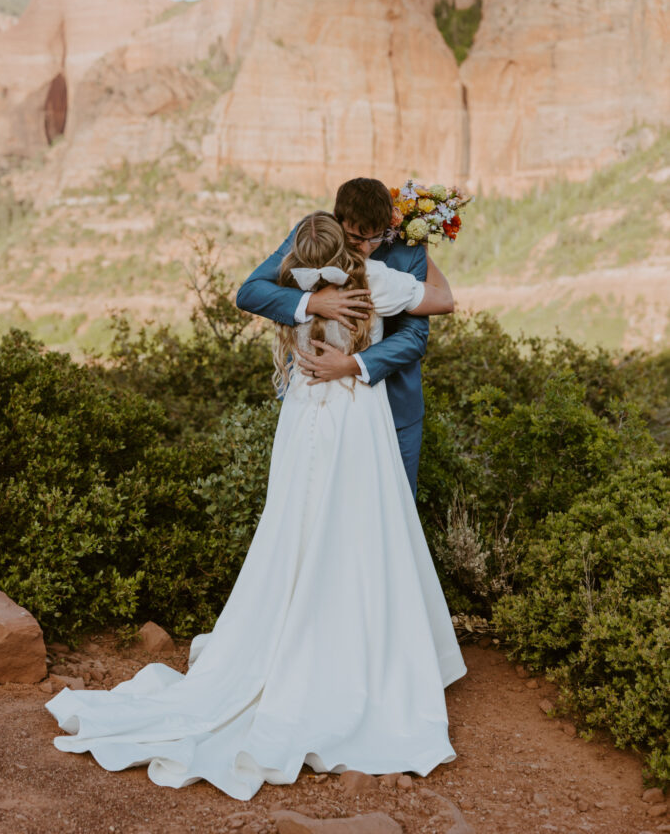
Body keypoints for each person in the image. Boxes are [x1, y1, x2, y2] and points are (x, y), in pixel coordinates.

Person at [44, 210, 466, 801]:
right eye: (366, 234)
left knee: (309, 522)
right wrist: (407, 257)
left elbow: (281, 293)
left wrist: (402, 249)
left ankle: (306, 631)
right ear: (350, 229)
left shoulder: (297, 272)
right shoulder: (374, 279)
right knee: (357, 527)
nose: (373, 242)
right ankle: (359, 649)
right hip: (353, 414)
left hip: (308, 409)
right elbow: (440, 302)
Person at [237, 177, 454, 497]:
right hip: (311, 403)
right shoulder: (313, 234)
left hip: (392, 407)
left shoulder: (407, 253)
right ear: (338, 221)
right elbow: (252, 291)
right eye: (356, 236)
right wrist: (313, 303)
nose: (366, 247)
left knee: (391, 511)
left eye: (376, 237)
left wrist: (353, 364)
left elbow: (414, 336)